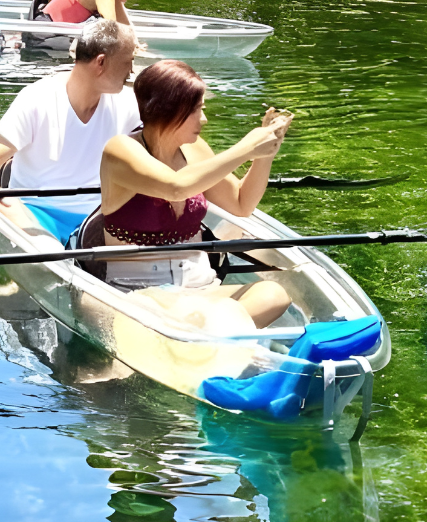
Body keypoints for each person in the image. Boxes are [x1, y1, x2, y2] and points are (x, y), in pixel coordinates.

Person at [93, 59, 294, 325]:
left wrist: (266, 152)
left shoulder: (196, 148)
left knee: (274, 295)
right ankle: (213, 337)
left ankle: (204, 337)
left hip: (201, 292)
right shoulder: (121, 149)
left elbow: (241, 204)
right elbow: (175, 188)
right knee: (185, 320)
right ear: (169, 109)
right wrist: (246, 147)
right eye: (196, 110)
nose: (204, 119)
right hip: (138, 295)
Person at [0, 18, 140, 242]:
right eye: (129, 61)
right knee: (35, 236)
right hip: (35, 213)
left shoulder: (129, 102)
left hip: (98, 217)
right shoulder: (37, 98)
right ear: (101, 63)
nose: (132, 70)